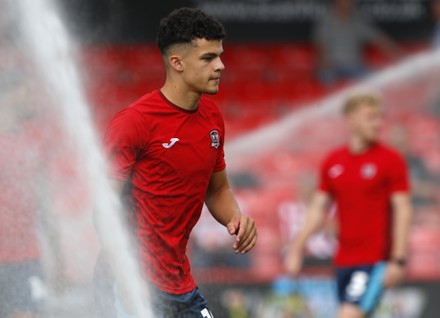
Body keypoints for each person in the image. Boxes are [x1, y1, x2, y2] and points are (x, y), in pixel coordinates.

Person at [96, 7, 257, 318]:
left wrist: (235, 220)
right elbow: (103, 209)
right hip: (129, 278)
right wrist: (127, 279)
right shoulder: (134, 122)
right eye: (209, 58)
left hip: (179, 282)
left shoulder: (212, 118)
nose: (220, 65)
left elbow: (218, 190)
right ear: (177, 62)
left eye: (220, 56)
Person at [285, 93, 412, 318]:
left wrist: (398, 259)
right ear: (351, 120)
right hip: (343, 260)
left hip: (375, 262)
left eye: (379, 117)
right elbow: (317, 209)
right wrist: (296, 248)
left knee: (347, 315)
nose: (378, 123)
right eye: (370, 117)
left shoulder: (391, 160)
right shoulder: (333, 161)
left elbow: (403, 210)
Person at [313, 0, 400, 84]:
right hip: (332, 67)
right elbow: (322, 46)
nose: (348, 3)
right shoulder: (326, 21)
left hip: (354, 66)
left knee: (375, 77)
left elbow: (379, 39)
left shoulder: (358, 21)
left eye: (350, 1)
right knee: (327, 78)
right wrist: (326, 63)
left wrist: (399, 55)